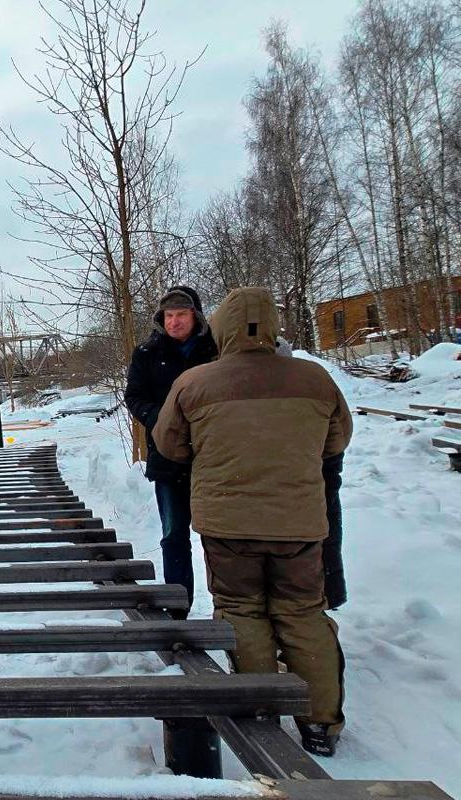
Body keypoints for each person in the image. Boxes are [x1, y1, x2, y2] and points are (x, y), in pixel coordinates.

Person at [154, 286, 351, 757]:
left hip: (228, 523)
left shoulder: (195, 382)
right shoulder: (315, 379)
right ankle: (320, 721)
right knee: (303, 613)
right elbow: (336, 440)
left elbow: (170, 444)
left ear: (220, 327)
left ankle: (261, 708)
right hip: (298, 522)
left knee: (242, 610)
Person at [124, 286, 218, 614]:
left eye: (181, 314)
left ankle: (227, 605)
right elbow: (134, 396)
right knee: (174, 534)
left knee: (219, 534)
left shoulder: (216, 350)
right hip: (167, 457)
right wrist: (161, 420)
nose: (174, 321)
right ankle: (179, 606)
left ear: (196, 316)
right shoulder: (147, 353)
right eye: (168, 315)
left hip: (213, 458)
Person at [277, 335, 347, 609]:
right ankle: (321, 602)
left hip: (306, 479)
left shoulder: (309, 385)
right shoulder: (314, 382)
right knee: (318, 543)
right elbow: (339, 433)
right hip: (314, 477)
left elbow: (337, 433)